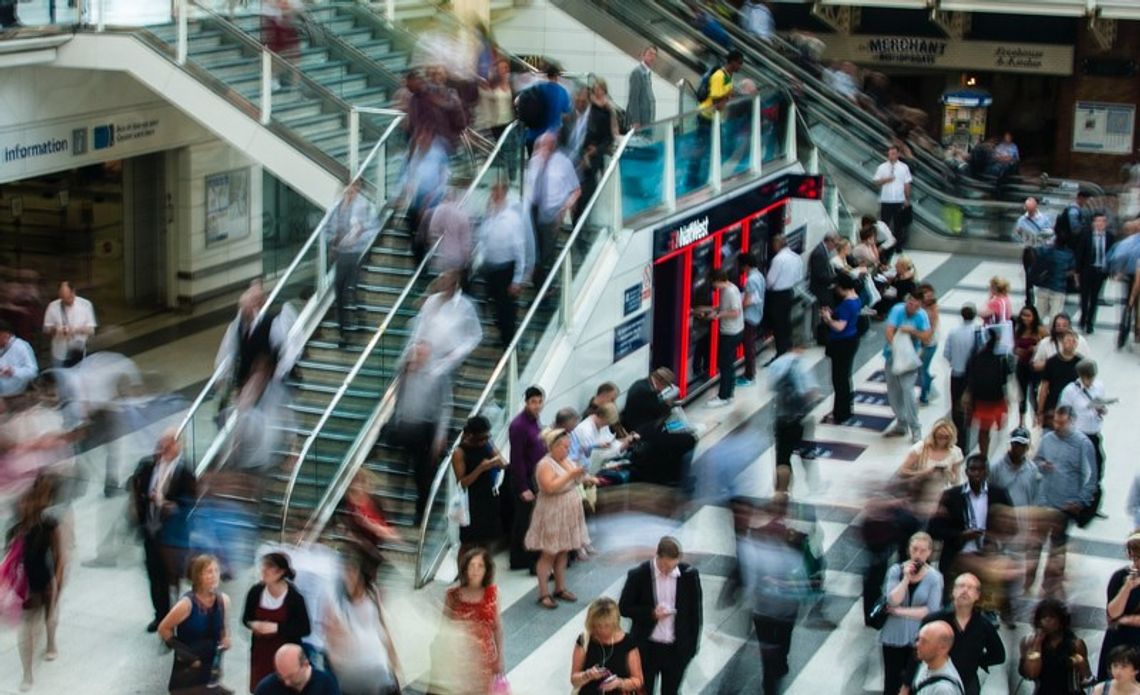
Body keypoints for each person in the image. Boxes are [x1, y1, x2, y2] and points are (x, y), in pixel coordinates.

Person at [1027, 405, 1097, 598]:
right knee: (1034, 545)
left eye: (1062, 422)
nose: (1057, 426)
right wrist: (1042, 464)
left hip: (1064, 506)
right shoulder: (1048, 439)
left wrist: (1080, 501)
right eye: (1055, 422)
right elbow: (1035, 461)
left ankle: (1050, 587)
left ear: (1072, 421)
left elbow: (1091, 477)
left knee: (1057, 548)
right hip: (1043, 503)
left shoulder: (1083, 444)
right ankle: (1027, 583)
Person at [618, 537, 702, 695]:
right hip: (647, 648)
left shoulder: (689, 576)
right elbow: (624, 608)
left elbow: (695, 614)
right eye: (664, 566)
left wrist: (690, 649)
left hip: (676, 650)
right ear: (658, 556)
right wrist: (651, 613)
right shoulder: (639, 575)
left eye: (673, 566)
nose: (668, 570)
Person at [132, 429, 197, 633]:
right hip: (151, 531)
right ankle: (159, 615)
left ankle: (174, 617)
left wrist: (170, 506)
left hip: (172, 536)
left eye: (170, 443)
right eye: (162, 443)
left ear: (179, 445)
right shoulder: (148, 466)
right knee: (154, 575)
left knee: (172, 579)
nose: (165, 447)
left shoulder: (185, 473)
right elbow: (137, 489)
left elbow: (191, 504)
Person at [525, 428, 593, 609]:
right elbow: (549, 487)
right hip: (553, 511)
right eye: (563, 447)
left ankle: (560, 587)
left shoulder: (567, 460)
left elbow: (576, 478)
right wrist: (571, 475)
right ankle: (543, 592)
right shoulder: (545, 464)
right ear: (552, 447)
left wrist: (587, 478)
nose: (566, 450)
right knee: (549, 553)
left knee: (563, 550)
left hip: (569, 510)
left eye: (568, 446)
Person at [9, 475, 65, 692]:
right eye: (22, 502)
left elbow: (59, 556)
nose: (25, 505)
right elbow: (11, 561)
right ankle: (27, 673)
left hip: (45, 578)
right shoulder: (14, 530)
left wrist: (57, 581)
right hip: (26, 584)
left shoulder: (49, 524)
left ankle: (51, 641)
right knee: (26, 628)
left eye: (29, 501)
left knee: (49, 617)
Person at [909, 574, 1004, 695]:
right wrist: (907, 685)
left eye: (970, 588)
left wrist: (977, 660)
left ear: (977, 595)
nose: (965, 590)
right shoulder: (935, 620)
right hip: (935, 681)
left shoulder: (983, 625)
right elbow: (916, 652)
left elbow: (999, 655)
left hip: (967, 683)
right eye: (961, 586)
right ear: (953, 591)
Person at [929, 455, 1014, 589]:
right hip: (958, 557)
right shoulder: (952, 496)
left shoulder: (999, 494)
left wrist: (993, 540)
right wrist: (961, 535)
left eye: (981, 469)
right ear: (966, 471)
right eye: (973, 469)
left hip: (989, 558)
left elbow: (1012, 526)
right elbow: (934, 529)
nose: (976, 473)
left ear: (987, 472)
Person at [323, 553, 401, 695]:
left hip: (378, 671)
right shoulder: (337, 603)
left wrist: (394, 663)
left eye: (352, 572)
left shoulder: (373, 596)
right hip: (353, 676)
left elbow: (384, 630)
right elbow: (331, 643)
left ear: (361, 575)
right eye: (346, 572)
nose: (348, 577)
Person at [879, 532, 944, 695]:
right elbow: (892, 599)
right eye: (915, 549)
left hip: (918, 638)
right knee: (891, 683)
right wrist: (906, 578)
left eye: (923, 551)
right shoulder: (896, 571)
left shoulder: (935, 578)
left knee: (912, 684)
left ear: (929, 553)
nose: (918, 554)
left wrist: (899, 611)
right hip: (893, 636)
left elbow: (931, 610)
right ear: (909, 550)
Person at [158, 554, 232, 695]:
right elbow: (163, 628)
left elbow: (223, 629)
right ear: (198, 576)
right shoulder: (186, 604)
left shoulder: (223, 601)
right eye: (209, 572)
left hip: (210, 668)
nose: (214, 575)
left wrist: (226, 637)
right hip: (188, 670)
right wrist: (185, 654)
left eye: (216, 570)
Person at [243, 552, 313, 693]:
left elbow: (305, 628)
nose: (264, 570)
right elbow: (246, 618)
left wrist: (277, 628)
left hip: (286, 657)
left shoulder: (294, 598)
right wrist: (253, 625)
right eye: (264, 566)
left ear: (281, 572)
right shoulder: (256, 592)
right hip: (260, 653)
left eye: (269, 567)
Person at [476, 179, 531, 349]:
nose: (493, 195)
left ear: (504, 193)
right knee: (495, 305)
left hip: (506, 268)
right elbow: (482, 237)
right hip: (491, 267)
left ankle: (510, 341)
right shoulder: (491, 215)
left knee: (507, 308)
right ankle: (502, 336)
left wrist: (517, 279)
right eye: (492, 191)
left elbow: (519, 249)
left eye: (497, 192)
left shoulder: (512, 218)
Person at [621, 367, 697, 487]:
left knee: (677, 438)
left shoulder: (641, 385)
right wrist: (668, 404)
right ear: (662, 382)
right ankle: (675, 478)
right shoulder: (646, 392)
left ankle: (675, 476)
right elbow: (660, 411)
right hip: (644, 433)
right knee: (688, 440)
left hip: (644, 429)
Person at [442, 548, 504, 694]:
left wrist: (499, 657)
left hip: (484, 661)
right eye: (471, 565)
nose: (475, 570)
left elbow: (497, 627)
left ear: (486, 570)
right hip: (458, 660)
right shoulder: (452, 596)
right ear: (465, 569)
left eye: (480, 566)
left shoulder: (493, 593)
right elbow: (443, 629)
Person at [524, 132, 580, 284]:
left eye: (548, 145)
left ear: (554, 146)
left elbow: (576, 190)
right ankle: (539, 280)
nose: (545, 148)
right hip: (534, 210)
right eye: (542, 145)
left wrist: (564, 209)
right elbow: (529, 186)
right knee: (536, 249)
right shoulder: (534, 161)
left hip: (553, 212)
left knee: (547, 251)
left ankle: (544, 284)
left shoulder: (563, 163)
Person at [452, 416, 506, 562]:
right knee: (467, 543)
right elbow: (462, 483)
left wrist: (497, 461)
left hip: (488, 497)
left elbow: (503, 463)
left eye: (487, 436)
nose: (484, 440)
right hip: (471, 502)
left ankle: (484, 575)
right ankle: (464, 577)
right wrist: (480, 468)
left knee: (487, 540)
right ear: (471, 435)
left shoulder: (487, 444)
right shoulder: (459, 452)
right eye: (481, 438)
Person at [688, 50, 743, 190]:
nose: (740, 66)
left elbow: (724, 98)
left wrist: (728, 96)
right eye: (739, 63)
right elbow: (717, 101)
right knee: (701, 147)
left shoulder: (728, 76)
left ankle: (704, 176)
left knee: (711, 147)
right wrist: (728, 96)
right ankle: (692, 178)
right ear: (732, 62)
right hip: (706, 116)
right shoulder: (719, 76)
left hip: (714, 118)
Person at [884, 291, 933, 443]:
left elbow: (926, 337)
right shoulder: (897, 310)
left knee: (908, 391)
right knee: (893, 392)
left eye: (916, 305)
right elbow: (889, 331)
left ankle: (915, 427)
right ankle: (901, 422)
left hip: (910, 359)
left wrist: (911, 331)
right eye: (910, 303)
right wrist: (897, 349)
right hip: (892, 356)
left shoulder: (921, 315)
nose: (912, 307)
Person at [768, 345, 819, 493]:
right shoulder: (801, 365)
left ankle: (783, 487)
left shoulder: (776, 364)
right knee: (806, 452)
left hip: (781, 417)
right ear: (798, 348)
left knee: (782, 455)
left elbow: (771, 387)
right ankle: (812, 483)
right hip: (799, 418)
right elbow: (811, 392)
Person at [569, 597, 645, 695]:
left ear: (615, 623)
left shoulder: (628, 643)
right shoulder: (585, 640)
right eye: (598, 625)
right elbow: (574, 679)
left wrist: (619, 682)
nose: (602, 630)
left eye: (607, 625)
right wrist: (587, 675)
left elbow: (638, 681)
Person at [328, 179, 372, 345]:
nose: (350, 191)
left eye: (354, 188)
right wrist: (332, 243)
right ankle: (343, 332)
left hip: (356, 253)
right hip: (342, 254)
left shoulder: (363, 207)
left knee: (353, 288)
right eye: (348, 188)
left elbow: (370, 228)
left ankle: (360, 317)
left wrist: (360, 236)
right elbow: (330, 228)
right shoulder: (338, 207)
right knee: (339, 290)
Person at [1019, 598, 1091, 695]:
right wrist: (1037, 643)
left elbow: (1086, 677)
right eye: (1043, 617)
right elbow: (1032, 673)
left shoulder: (1075, 645)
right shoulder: (1030, 643)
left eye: (1051, 617)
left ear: (1061, 621)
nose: (1046, 620)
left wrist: (1079, 662)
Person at [508, 386, 544, 572]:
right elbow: (517, 459)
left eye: (539, 402)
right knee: (523, 521)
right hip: (524, 479)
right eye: (533, 402)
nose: (537, 406)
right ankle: (519, 559)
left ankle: (525, 558)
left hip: (534, 477)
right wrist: (523, 486)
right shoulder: (519, 425)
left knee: (529, 520)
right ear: (526, 402)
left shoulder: (534, 421)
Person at [1058, 358, 1108, 492]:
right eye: (1087, 378)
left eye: (1092, 377)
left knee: (1098, 463)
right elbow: (1062, 412)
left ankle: (1093, 497)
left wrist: (1101, 409)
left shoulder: (1099, 386)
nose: (1090, 381)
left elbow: (1102, 405)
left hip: (1094, 433)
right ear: (1081, 376)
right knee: (1078, 469)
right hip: (1078, 435)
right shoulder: (1070, 391)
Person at [698, 268, 744, 407]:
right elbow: (725, 307)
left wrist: (717, 316)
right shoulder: (731, 288)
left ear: (718, 280)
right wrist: (710, 309)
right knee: (728, 365)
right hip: (735, 331)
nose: (713, 287)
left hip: (730, 333)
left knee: (725, 365)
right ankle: (728, 394)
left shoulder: (729, 292)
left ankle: (723, 396)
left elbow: (735, 312)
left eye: (714, 283)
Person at [1097, 533, 1140, 681]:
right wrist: (1127, 587)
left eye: (1138, 558)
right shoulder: (1120, 576)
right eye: (1133, 557)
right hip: (1119, 639)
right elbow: (1113, 614)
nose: (1135, 563)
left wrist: (1127, 620)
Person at [964, 326, 1011, 459]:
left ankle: (985, 455)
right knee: (993, 429)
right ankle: (988, 456)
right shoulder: (1001, 356)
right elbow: (1006, 378)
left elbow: (970, 377)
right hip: (990, 400)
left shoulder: (977, 355)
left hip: (984, 399)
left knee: (985, 431)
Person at [822, 275, 862, 424]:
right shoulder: (856, 298)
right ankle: (845, 409)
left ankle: (840, 413)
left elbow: (840, 326)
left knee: (839, 379)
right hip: (851, 340)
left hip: (842, 343)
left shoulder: (846, 304)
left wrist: (828, 319)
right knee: (845, 377)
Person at [944, 304, 980, 451]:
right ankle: (967, 435)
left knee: (957, 408)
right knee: (970, 407)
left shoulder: (953, 332)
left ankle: (960, 439)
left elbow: (947, 353)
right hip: (973, 376)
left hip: (957, 374)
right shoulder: (978, 331)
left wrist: (955, 361)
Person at [765, 232, 803, 360]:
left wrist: (768, 288)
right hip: (789, 292)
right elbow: (799, 276)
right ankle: (787, 346)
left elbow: (770, 280)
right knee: (786, 322)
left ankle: (781, 351)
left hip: (777, 295)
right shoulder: (795, 257)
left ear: (777, 244)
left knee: (778, 324)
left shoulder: (778, 259)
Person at [1076, 213, 1115, 335]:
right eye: (1098, 221)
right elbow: (1079, 253)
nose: (1100, 224)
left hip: (1100, 271)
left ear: (1106, 223)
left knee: (1094, 298)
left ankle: (1090, 323)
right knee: (1084, 297)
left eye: (1103, 221)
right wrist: (1077, 271)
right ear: (1093, 223)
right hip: (1087, 270)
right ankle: (1083, 319)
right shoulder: (1086, 235)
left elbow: (1111, 254)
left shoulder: (1109, 237)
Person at [42, 281, 96, 368]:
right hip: (59, 352)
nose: (67, 301)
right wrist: (58, 330)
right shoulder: (53, 306)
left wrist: (76, 330)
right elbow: (46, 329)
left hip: (78, 351)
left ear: (73, 292)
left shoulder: (85, 305)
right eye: (63, 298)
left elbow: (91, 330)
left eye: (69, 297)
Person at [1037, 330, 1082, 430]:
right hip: (1053, 404)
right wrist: (1040, 411)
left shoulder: (1081, 363)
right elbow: (1044, 387)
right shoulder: (1052, 362)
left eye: (1073, 341)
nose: (1070, 343)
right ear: (1062, 342)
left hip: (1073, 407)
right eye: (1068, 340)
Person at [1030, 231, 1076, 325]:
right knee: (1054, 316)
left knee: (1039, 314)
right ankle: (1052, 336)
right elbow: (1072, 270)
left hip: (1044, 285)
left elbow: (1035, 254)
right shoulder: (1069, 255)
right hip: (1059, 288)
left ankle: (1036, 333)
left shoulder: (1045, 250)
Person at [254, 644, 340, 694]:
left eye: (291, 676)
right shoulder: (266, 688)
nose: (286, 682)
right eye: (280, 676)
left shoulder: (326, 684)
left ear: (305, 665)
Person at [908, 621, 966, 695]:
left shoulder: (944, 689)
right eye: (918, 639)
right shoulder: (926, 663)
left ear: (942, 648)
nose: (917, 645)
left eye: (924, 642)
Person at [873, 145, 913, 251]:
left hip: (898, 200)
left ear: (898, 154)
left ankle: (898, 246)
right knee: (884, 225)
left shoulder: (904, 167)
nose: (891, 156)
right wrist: (886, 180)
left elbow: (907, 183)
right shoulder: (882, 167)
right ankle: (884, 246)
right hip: (886, 200)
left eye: (894, 153)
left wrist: (906, 198)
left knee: (898, 225)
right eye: (890, 153)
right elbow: (876, 181)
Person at [1015, 197, 1053, 306]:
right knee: (1028, 275)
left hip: (1041, 250)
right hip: (1029, 250)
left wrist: (1040, 237)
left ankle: (1046, 298)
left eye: (1031, 209)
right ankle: (1029, 299)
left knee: (1044, 274)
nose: (1029, 211)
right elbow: (1017, 235)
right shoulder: (1022, 220)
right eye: (1027, 209)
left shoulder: (1044, 219)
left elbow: (1050, 233)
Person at [1015, 305, 1048, 427]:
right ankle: (1021, 421)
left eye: (1028, 315)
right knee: (1021, 394)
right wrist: (1017, 350)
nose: (1025, 318)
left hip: (1035, 367)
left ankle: (1036, 418)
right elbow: (1013, 344)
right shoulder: (1019, 329)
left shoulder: (1040, 330)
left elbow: (1048, 344)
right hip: (1022, 365)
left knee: (1034, 393)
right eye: (1023, 315)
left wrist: (1035, 348)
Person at [739, 253, 766, 386]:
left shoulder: (750, 280)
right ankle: (749, 373)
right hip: (757, 315)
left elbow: (748, 300)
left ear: (746, 266)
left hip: (749, 317)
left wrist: (738, 306)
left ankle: (749, 375)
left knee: (748, 347)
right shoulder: (759, 276)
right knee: (750, 346)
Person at [917, 283, 942, 406]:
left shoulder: (932, 309)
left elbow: (932, 327)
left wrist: (926, 339)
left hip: (929, 343)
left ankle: (925, 394)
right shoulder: (921, 306)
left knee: (923, 369)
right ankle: (929, 389)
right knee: (921, 369)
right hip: (922, 341)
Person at [0, 320, 38, 397]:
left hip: (15, 383)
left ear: (5, 334)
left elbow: (33, 371)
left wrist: (13, 371)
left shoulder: (21, 346)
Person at [626, 46, 657, 130]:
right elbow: (633, 99)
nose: (653, 57)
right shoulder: (637, 72)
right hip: (640, 123)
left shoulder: (647, 73)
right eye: (650, 54)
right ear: (643, 55)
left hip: (647, 121)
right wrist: (636, 121)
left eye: (655, 55)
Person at [807, 232, 838, 312]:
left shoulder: (823, 251)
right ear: (829, 241)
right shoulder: (819, 253)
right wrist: (836, 279)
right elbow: (820, 275)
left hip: (824, 288)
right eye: (835, 244)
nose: (834, 248)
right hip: (820, 290)